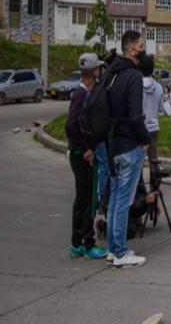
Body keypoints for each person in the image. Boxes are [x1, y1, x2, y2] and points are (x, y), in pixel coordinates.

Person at [105, 30, 152, 268]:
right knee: (124, 199)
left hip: (112, 143)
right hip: (128, 144)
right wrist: (145, 140)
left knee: (115, 198)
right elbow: (135, 116)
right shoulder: (132, 75)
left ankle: (113, 248)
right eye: (142, 46)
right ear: (133, 49)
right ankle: (121, 252)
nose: (145, 51)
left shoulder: (113, 72)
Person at [65, 53, 109, 260]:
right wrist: (85, 149)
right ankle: (88, 243)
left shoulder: (82, 93)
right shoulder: (82, 95)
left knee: (81, 199)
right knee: (88, 199)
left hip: (77, 153)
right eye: (99, 68)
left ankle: (77, 243)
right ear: (94, 72)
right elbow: (70, 125)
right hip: (81, 155)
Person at [140, 53, 163, 164]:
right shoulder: (158, 87)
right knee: (153, 158)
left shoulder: (136, 86)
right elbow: (160, 109)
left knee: (138, 160)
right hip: (153, 126)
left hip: (140, 126)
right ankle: (155, 179)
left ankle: (140, 181)